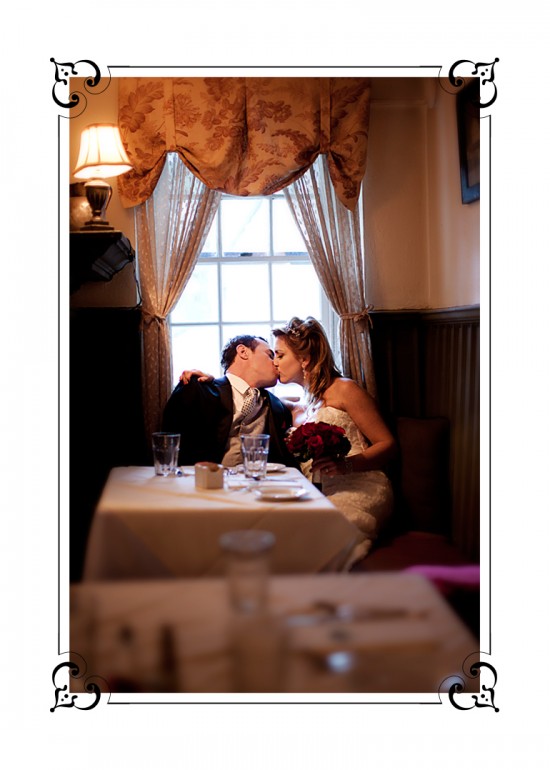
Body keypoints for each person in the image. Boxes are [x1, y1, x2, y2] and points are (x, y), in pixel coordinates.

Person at [272, 316, 397, 560]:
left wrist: (345, 465)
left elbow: (388, 445)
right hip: (317, 491)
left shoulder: (345, 390)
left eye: (279, 355)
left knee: (328, 536)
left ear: (304, 359)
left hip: (362, 485)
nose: (274, 362)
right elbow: (255, 393)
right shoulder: (302, 403)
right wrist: (213, 380)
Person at [162, 335, 296, 468]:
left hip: (256, 484)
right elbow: (168, 447)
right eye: (270, 355)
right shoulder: (197, 390)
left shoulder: (278, 407)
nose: (275, 363)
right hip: (204, 484)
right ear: (243, 352)